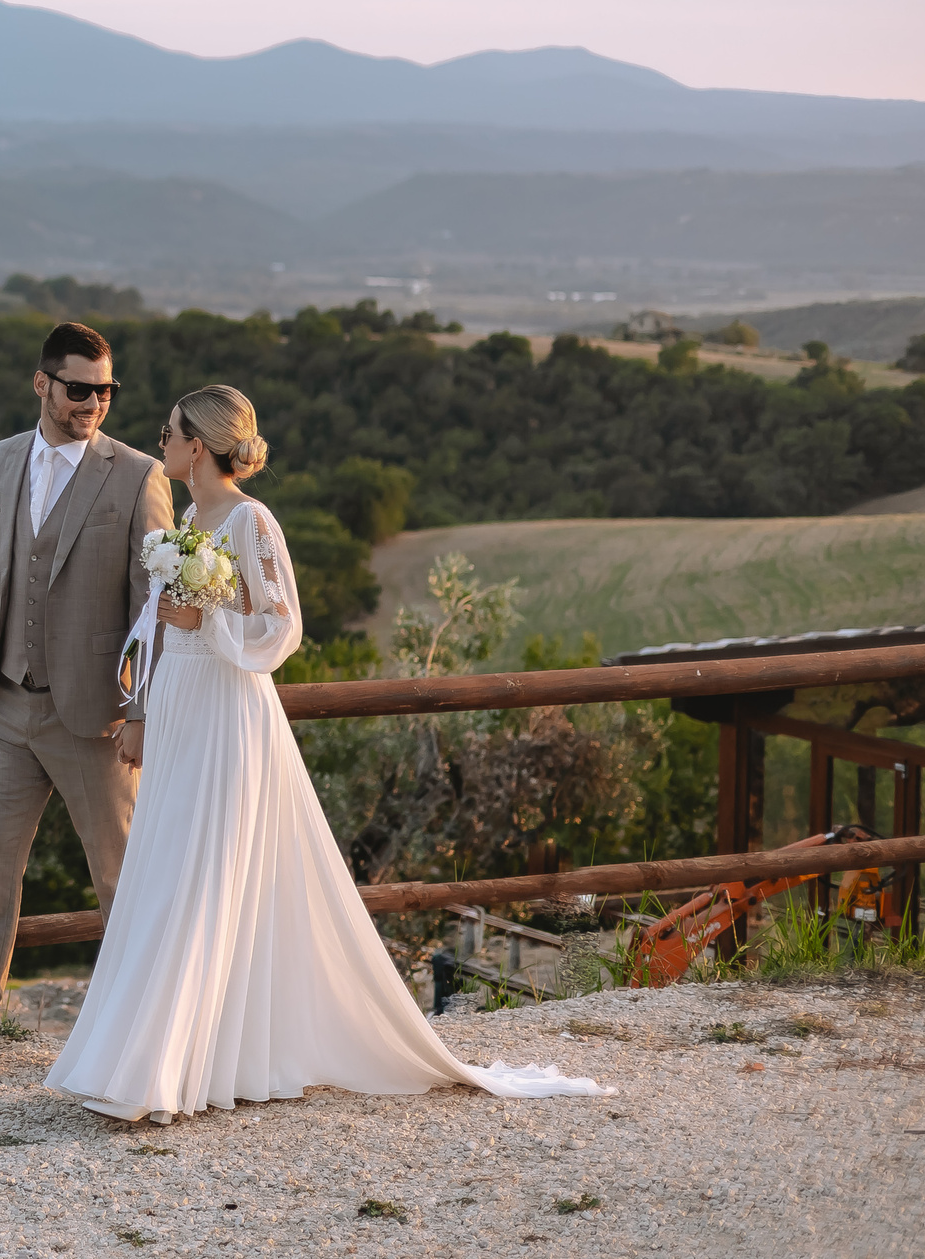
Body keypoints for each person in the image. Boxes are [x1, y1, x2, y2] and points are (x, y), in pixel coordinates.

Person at [43, 384, 610, 1121]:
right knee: (170, 865)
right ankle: (175, 1054)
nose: (161, 440)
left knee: (206, 871)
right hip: (180, 703)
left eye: (171, 430)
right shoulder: (186, 518)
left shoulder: (251, 520)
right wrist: (146, 699)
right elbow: (168, 622)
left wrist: (207, 622)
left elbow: (283, 627)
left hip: (226, 711)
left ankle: (171, 1067)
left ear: (200, 445)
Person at [0, 322, 173, 1084]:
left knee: (119, 877)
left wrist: (140, 710)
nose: (94, 403)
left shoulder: (139, 475)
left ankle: (146, 1035)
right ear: (42, 384)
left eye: (106, 390)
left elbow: (152, 604)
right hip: (4, 705)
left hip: (95, 717)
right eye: (79, 388)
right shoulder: (0, 460)